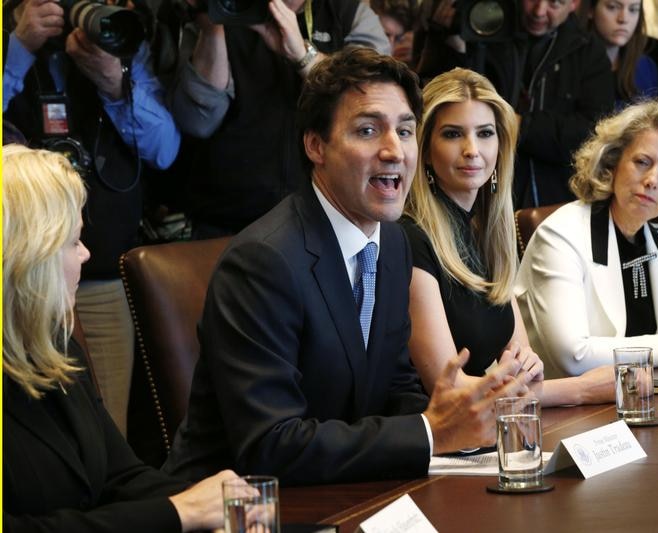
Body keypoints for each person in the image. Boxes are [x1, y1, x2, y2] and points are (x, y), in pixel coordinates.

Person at [163, 47, 532, 485]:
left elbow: (394, 387)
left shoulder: (392, 242)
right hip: (240, 506)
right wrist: (431, 431)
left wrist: (463, 414)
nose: (394, 150)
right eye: (368, 130)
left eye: (406, 130)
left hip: (348, 486)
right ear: (316, 145)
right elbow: (271, 445)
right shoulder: (263, 261)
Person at [2, 145, 240, 532]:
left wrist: (216, 503)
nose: (85, 254)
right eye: (72, 241)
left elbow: (121, 477)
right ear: (28, 258)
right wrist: (180, 512)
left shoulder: (53, 345)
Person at [3, 0, 182, 436]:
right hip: (15, 276)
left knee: (107, 427)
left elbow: (165, 148)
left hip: (101, 272)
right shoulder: (13, 39)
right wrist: (20, 49)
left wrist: (112, 81)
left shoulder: (118, 37)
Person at [401, 68, 615, 406]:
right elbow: (450, 390)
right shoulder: (410, 238)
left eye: (485, 133)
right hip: (441, 446)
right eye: (453, 134)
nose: (472, 149)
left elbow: (523, 359)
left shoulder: (486, 233)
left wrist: (530, 370)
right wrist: (580, 389)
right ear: (425, 149)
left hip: (500, 428)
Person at [516, 99, 658, 378]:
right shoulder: (560, 236)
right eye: (642, 162)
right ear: (612, 162)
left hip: (641, 399)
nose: (653, 180)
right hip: (563, 411)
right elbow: (574, 356)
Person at [169, 0, 391, 238]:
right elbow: (198, 122)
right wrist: (213, 28)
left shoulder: (347, 12)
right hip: (226, 219)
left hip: (324, 221)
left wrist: (302, 55)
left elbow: (372, 101)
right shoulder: (224, 7)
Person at [413, 0, 615, 208]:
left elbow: (594, 132)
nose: (539, 11)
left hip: (555, 196)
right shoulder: (483, 27)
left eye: (555, 3)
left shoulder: (588, 52)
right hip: (478, 190)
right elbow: (435, 105)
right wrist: (443, 40)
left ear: (574, 3)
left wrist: (518, 124)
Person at [577, 0, 658, 106]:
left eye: (633, 9)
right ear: (590, 10)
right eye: (612, 7)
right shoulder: (568, 65)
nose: (623, 19)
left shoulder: (646, 68)